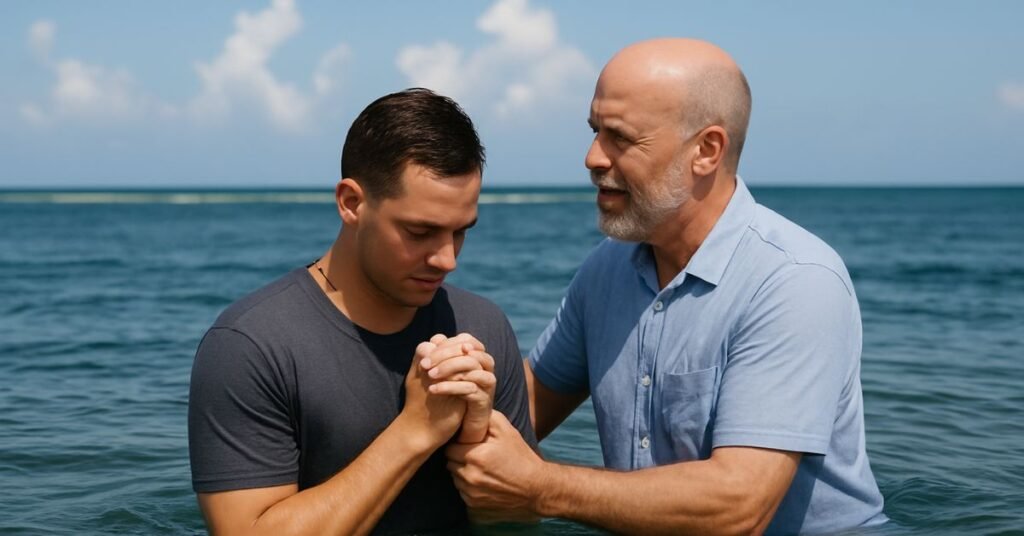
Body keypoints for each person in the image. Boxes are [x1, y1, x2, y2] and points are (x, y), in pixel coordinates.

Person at [446, 38, 887, 534]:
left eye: (620, 138)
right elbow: (520, 410)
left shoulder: (795, 281)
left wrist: (543, 487)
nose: (592, 158)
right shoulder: (606, 271)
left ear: (706, 150)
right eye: (595, 132)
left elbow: (738, 507)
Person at [188, 88, 537, 535]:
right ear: (352, 203)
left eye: (460, 232)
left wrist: (474, 436)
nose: (447, 259)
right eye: (420, 231)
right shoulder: (250, 346)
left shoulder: (483, 326)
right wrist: (416, 430)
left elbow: (516, 527)